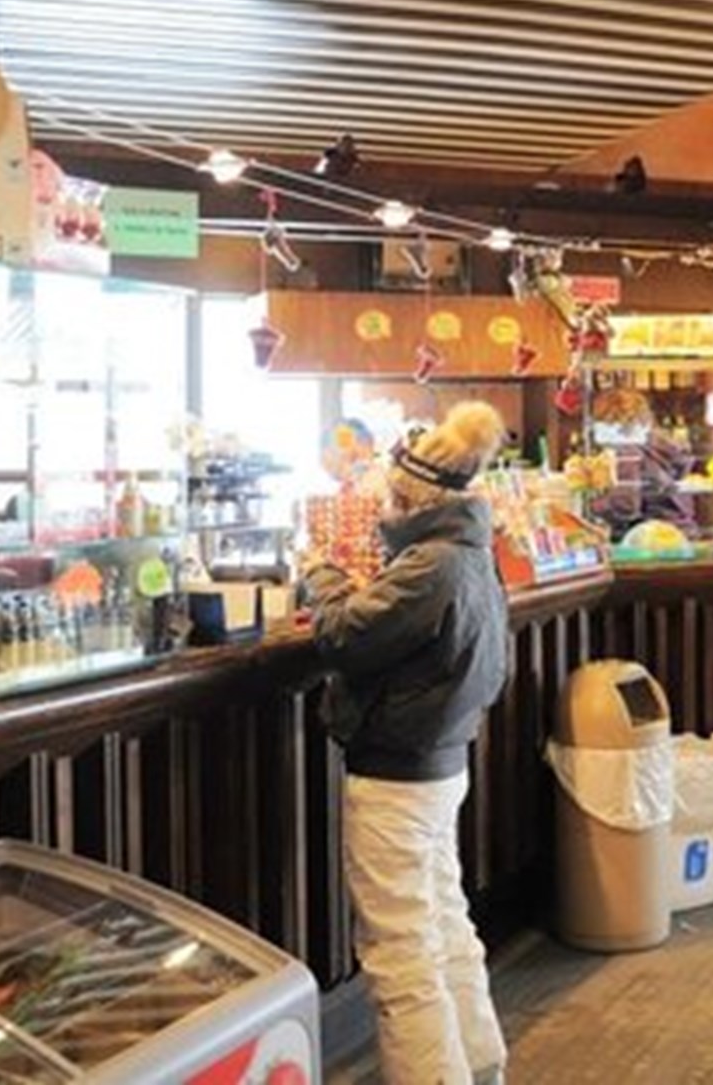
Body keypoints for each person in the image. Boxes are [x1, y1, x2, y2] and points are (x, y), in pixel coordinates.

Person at [300, 402, 511, 1085]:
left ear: (408, 498)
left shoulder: (429, 566)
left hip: (397, 776)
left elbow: (342, 635)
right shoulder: (471, 554)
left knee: (400, 949)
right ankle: (480, 1062)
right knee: (443, 921)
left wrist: (320, 572)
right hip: (442, 764)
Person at [587, 386, 695, 540]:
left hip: (650, 540)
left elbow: (625, 506)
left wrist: (591, 506)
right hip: (681, 534)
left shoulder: (626, 451)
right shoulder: (660, 446)